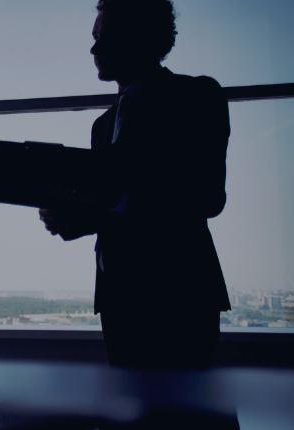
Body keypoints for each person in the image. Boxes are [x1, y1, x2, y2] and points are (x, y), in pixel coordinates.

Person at [39, 0, 230, 369]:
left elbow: (207, 196)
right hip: (118, 300)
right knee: (132, 420)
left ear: (142, 38)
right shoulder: (103, 125)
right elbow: (111, 209)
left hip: (179, 295)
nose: (93, 49)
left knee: (185, 422)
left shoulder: (196, 96)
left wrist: (110, 197)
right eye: (93, 38)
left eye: (105, 37)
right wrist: (67, 218)